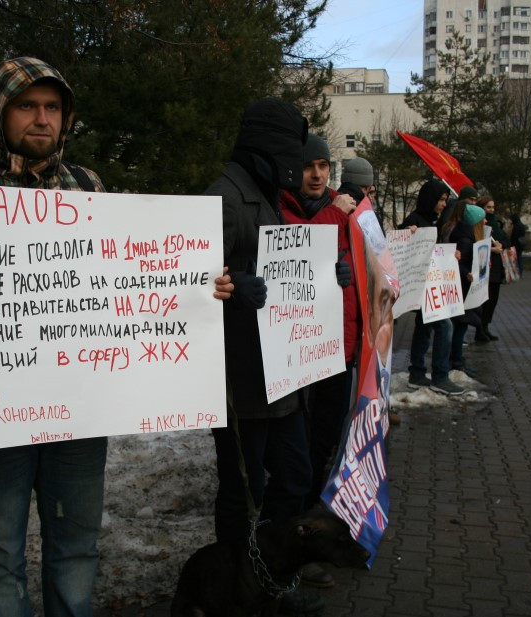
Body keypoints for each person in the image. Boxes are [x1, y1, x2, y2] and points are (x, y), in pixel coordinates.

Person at [0, 56, 234, 617]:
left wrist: (197, 283)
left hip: (77, 413)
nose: (42, 119)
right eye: (27, 105)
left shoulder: (87, 186)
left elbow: (123, 275)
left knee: (76, 547)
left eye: (53, 107)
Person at [204, 98, 324, 616]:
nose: (299, 164)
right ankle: (235, 591)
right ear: (269, 146)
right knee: (242, 492)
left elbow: (288, 271)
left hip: (282, 374)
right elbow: (181, 285)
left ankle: (270, 579)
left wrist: (329, 278)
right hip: (242, 384)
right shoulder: (224, 199)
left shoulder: (268, 194)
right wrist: (234, 289)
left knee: (294, 477)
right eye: (292, 150)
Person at [278, 134, 359, 525]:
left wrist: (352, 274)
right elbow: (303, 243)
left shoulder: (346, 210)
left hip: (340, 348)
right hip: (299, 351)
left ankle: (309, 513)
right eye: (308, 166)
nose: (316, 174)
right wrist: (336, 216)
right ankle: (293, 519)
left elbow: (366, 265)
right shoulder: (281, 209)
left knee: (326, 437)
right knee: (298, 447)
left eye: (323, 166)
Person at [400, 179, 464, 396]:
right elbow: (402, 248)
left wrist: (449, 255)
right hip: (424, 287)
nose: (444, 204)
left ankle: (417, 373)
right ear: (430, 199)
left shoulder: (430, 221)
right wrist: (408, 235)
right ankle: (440, 376)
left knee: (424, 327)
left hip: (430, 286)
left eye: (445, 200)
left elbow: (432, 252)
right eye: (441, 200)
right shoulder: (414, 221)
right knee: (445, 327)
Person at [441, 201, 485, 378]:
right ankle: (456, 361)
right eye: (482, 219)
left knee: (459, 325)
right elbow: (458, 263)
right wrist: (467, 273)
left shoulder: (464, 235)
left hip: (461, 287)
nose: (485, 222)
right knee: (460, 326)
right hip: (463, 289)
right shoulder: (466, 240)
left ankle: (456, 359)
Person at [475, 195, 507, 342]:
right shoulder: (479, 223)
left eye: (493, 207)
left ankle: (486, 326)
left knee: (493, 299)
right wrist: (492, 249)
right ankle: (480, 329)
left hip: (496, 266)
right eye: (488, 207)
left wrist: (501, 244)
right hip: (485, 265)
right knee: (484, 300)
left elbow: (506, 240)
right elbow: (477, 243)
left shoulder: (496, 224)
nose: (491, 210)